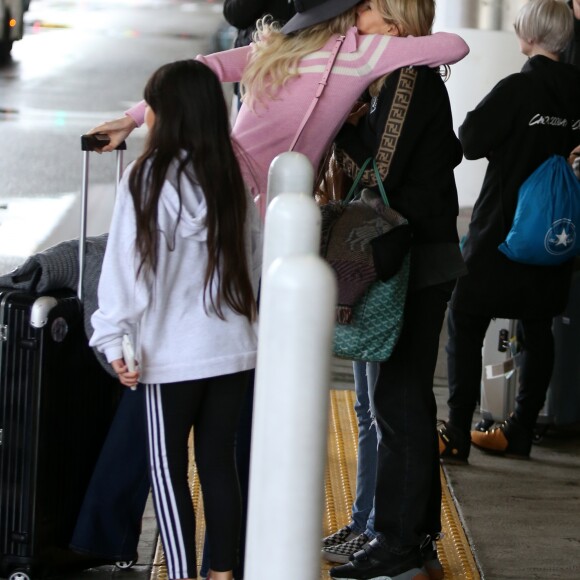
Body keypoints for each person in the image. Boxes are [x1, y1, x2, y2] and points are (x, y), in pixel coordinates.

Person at [89, 60, 262, 580]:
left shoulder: (150, 177)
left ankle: (183, 574)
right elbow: (253, 260)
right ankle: (222, 573)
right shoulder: (231, 174)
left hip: (173, 354)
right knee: (219, 467)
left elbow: (130, 267)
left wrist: (112, 336)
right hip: (233, 347)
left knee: (166, 474)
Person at [324, 1, 466, 578]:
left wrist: (342, 122)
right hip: (420, 257)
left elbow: (384, 167)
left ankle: (399, 541)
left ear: (397, 21)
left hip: (418, 262)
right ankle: (409, 537)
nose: (356, 16)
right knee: (397, 402)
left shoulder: (409, 81)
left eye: (369, 8)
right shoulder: (399, 83)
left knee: (399, 403)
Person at [439, 0, 580, 466]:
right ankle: (519, 429)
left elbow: (470, 141)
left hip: (501, 234)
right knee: (538, 327)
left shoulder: (519, 87)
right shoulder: (578, 91)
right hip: (555, 238)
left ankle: (458, 429)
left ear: (530, 35)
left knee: (464, 316)